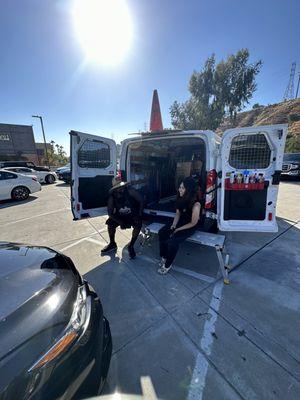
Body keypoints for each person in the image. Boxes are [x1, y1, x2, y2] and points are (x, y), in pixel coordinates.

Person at [157, 177, 201, 274]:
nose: (179, 190)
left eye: (182, 188)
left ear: (188, 189)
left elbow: (193, 223)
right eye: (180, 187)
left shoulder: (196, 205)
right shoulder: (180, 198)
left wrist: (177, 229)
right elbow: (178, 213)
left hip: (190, 225)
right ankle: (164, 256)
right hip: (181, 221)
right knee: (162, 233)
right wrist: (173, 225)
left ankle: (168, 264)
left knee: (173, 242)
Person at [101, 175, 143, 259]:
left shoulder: (130, 191)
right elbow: (110, 213)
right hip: (120, 216)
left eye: (122, 186)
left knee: (138, 224)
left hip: (132, 214)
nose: (121, 188)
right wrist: (120, 222)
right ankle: (112, 243)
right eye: (118, 187)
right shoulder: (112, 197)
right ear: (114, 189)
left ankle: (131, 245)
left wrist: (139, 214)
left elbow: (141, 200)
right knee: (110, 223)